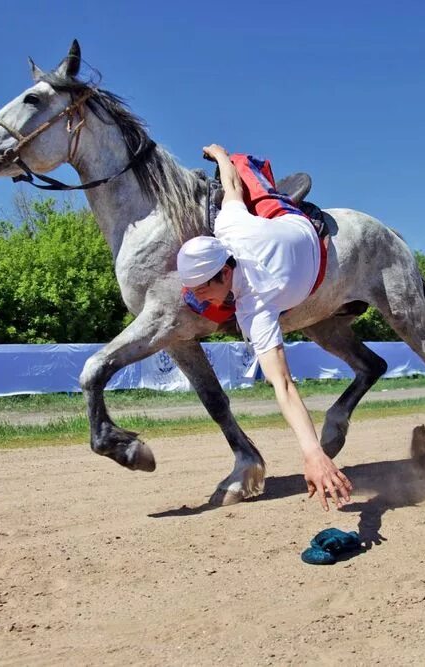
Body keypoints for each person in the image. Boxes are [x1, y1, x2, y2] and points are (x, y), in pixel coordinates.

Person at [177, 144, 353, 511]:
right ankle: (241, 157)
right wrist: (223, 157)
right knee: (241, 172)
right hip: (279, 221)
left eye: (202, 291)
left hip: (300, 230)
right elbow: (231, 187)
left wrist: (313, 454)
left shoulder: (255, 306)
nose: (199, 299)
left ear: (225, 272)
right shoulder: (229, 227)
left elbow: (284, 385)